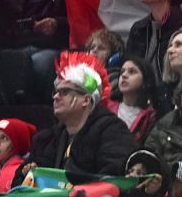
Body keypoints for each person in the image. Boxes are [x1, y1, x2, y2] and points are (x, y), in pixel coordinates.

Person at [29, 54, 135, 182]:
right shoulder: (48, 138)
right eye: (55, 92)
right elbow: (20, 179)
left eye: (64, 92)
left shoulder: (112, 131)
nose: (55, 97)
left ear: (86, 100)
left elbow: (112, 178)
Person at [108, 55, 160, 143]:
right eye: (122, 72)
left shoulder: (151, 117)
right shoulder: (106, 106)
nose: (124, 75)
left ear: (145, 82)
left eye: (132, 71)